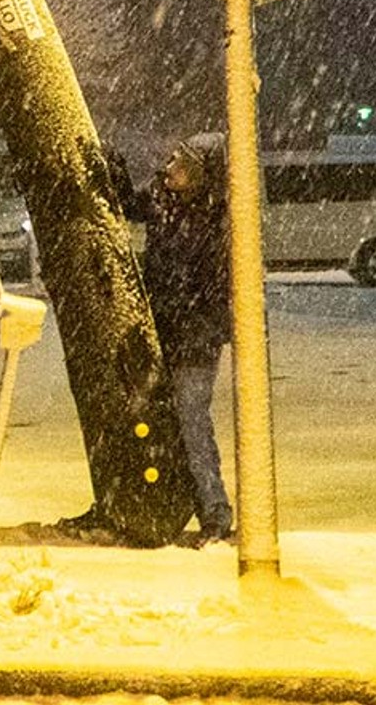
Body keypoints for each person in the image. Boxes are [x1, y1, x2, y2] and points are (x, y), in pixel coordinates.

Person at [124, 133, 235, 544]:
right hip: (166, 328)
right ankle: (165, 505)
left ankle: (214, 511)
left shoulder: (217, 220)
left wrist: (193, 321)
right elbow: (126, 204)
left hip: (194, 337)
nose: (168, 168)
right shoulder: (161, 199)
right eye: (170, 159)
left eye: (179, 163)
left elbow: (213, 286)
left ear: (200, 175)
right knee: (159, 420)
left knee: (191, 420)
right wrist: (114, 170)